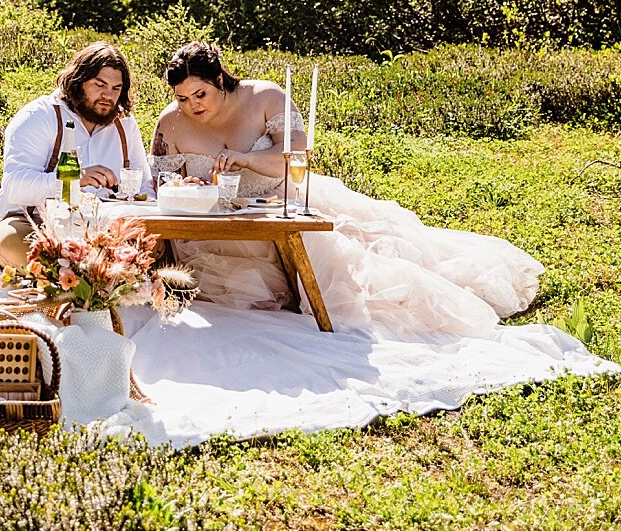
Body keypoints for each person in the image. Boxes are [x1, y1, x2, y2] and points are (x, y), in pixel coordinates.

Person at [150, 41, 543, 338]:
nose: (192, 106)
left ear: (219, 79)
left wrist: (247, 158)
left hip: (282, 200)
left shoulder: (266, 96)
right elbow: (160, 181)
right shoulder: (171, 123)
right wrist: (187, 183)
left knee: (353, 275)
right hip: (215, 226)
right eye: (182, 99)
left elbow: (296, 155)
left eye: (199, 94)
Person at [0, 41, 148, 269]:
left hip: (107, 227)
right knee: (11, 243)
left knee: (157, 247)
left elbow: (144, 185)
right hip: (35, 223)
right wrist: (72, 181)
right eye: (99, 84)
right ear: (78, 81)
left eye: (116, 88)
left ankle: (94, 281)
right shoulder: (39, 115)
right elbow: (14, 186)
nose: (108, 95)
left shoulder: (125, 123)